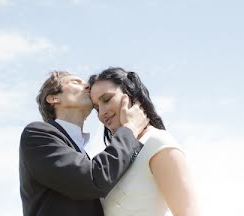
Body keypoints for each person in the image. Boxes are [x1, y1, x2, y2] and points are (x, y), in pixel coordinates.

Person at [19, 70, 150, 216]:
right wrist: (129, 130)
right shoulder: (37, 134)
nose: (87, 85)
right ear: (53, 98)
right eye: (75, 82)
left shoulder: (83, 155)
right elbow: (93, 178)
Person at [89, 67, 200, 216]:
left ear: (131, 94)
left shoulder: (157, 143)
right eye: (96, 108)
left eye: (107, 99)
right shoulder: (115, 158)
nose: (102, 113)